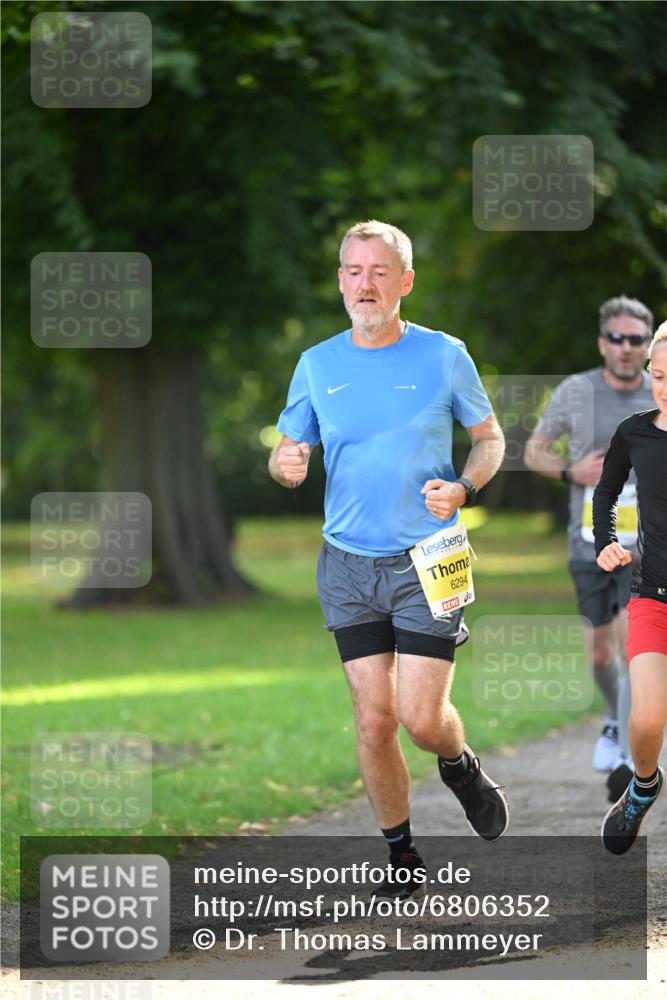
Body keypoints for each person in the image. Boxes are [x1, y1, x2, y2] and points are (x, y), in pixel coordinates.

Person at [269, 220, 508, 899]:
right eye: (352, 270)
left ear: (404, 282)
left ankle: (458, 764)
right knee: (373, 717)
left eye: (378, 271)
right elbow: (288, 455)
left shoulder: (443, 355)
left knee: (421, 719)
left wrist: (464, 486)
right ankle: (401, 858)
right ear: (339, 278)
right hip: (346, 563)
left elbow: (488, 440)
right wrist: (285, 465)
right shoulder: (317, 364)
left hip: (430, 558)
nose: (363, 284)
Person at [524, 296, 655, 801]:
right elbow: (535, 449)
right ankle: (611, 717)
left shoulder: (658, 389)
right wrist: (569, 472)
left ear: (647, 346)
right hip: (588, 542)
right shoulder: (576, 391)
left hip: (644, 545)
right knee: (600, 653)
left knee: (628, 644)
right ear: (603, 343)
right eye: (617, 339)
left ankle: (627, 753)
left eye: (636, 340)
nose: (626, 348)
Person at [595, 321, 667, 854]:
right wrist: (606, 541)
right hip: (653, 595)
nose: (664, 387)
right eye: (658, 376)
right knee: (645, 718)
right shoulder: (634, 431)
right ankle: (644, 788)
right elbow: (607, 489)